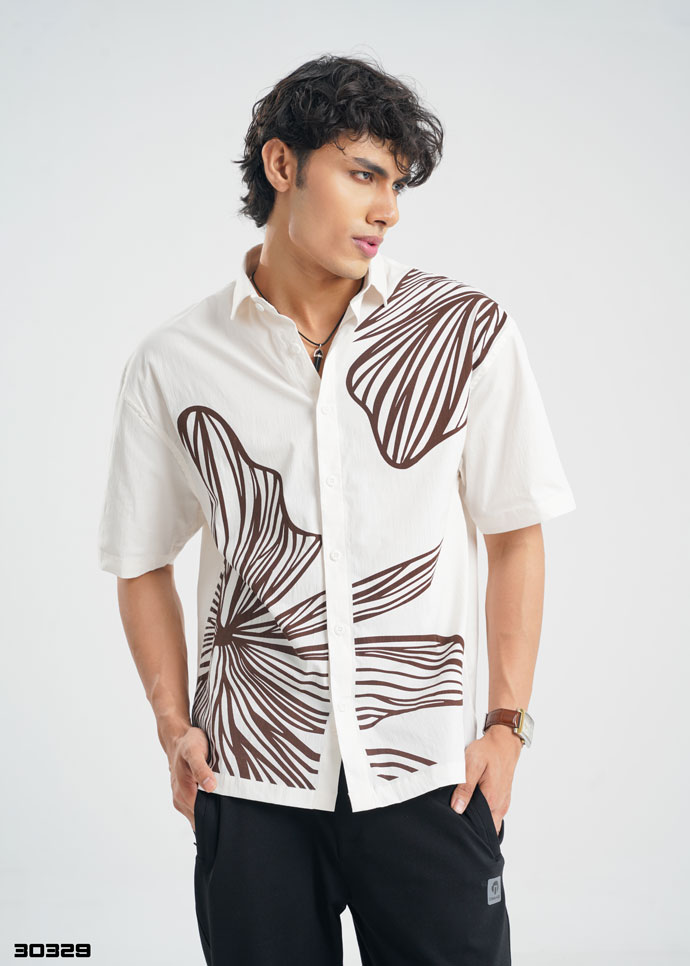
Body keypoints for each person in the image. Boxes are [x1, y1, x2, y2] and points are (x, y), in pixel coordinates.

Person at [97, 53, 576, 966]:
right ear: (283, 165)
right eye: (363, 175)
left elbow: (515, 533)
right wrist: (172, 726)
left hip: (431, 776)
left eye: (396, 184)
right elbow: (140, 557)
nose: (387, 209)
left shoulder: (464, 332)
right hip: (251, 783)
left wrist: (506, 729)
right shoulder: (174, 361)